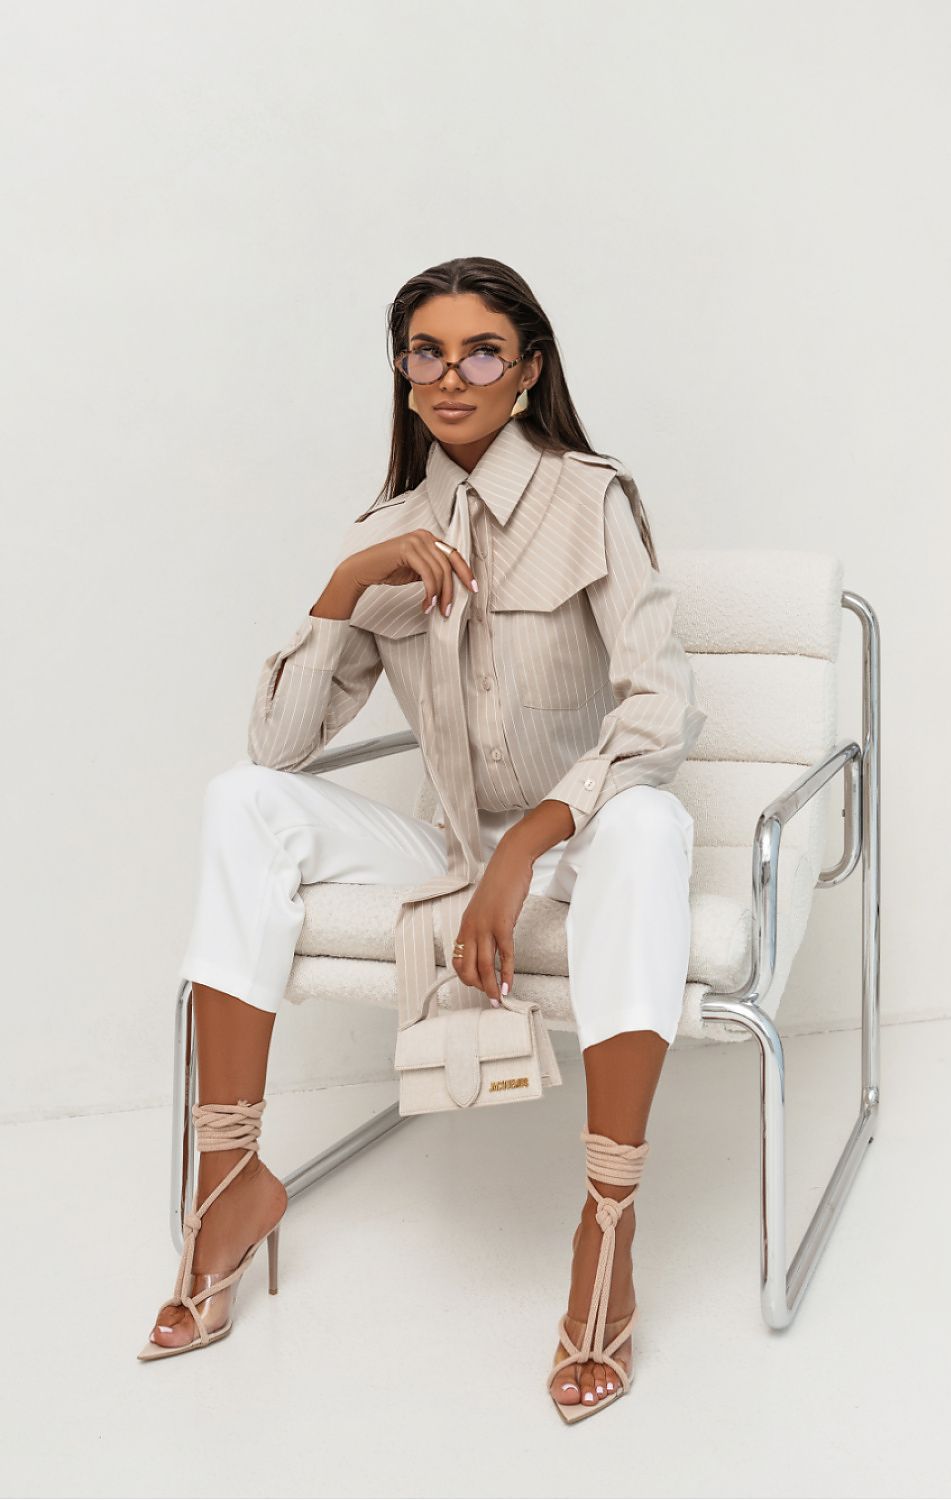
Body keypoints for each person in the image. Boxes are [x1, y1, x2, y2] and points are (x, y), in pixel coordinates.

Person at [137, 256, 707, 1423]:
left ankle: (608, 1227)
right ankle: (230, 1181)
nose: (453, 375)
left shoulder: (589, 499)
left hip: (578, 837)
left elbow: (660, 712)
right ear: (401, 377)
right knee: (239, 800)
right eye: (427, 353)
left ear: (528, 370)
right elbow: (280, 744)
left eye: (482, 351)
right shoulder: (386, 534)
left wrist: (527, 847)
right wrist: (346, 582)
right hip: (449, 852)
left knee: (650, 823)